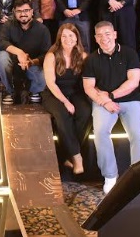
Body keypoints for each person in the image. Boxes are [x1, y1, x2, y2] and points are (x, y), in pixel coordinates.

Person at [82, 21, 140, 195]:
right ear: (95, 38)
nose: (104, 38)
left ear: (115, 34)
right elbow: (88, 87)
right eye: (100, 35)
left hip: (130, 100)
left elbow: (133, 81)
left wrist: (110, 96)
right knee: (100, 132)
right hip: (103, 102)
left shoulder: (129, 53)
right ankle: (110, 176)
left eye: (107, 34)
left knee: (137, 134)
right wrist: (105, 102)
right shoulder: (91, 59)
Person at [42, 24, 90, 174]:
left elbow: (88, 80)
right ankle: (77, 157)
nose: (67, 39)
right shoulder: (51, 56)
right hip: (54, 93)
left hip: (75, 92)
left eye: (71, 35)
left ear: (77, 38)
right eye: (64, 36)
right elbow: (51, 83)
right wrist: (66, 102)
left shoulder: (83, 56)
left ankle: (67, 155)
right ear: (59, 39)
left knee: (85, 112)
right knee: (62, 115)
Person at [0, 0, 51, 104]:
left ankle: (33, 91)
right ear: (14, 12)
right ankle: (9, 91)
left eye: (26, 10)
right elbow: (1, 42)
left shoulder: (42, 29)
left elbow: (46, 54)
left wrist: (31, 62)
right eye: (19, 11)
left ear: (32, 11)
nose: (23, 14)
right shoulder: (8, 25)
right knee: (1, 57)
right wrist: (19, 53)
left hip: (32, 65)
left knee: (45, 76)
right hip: (13, 64)